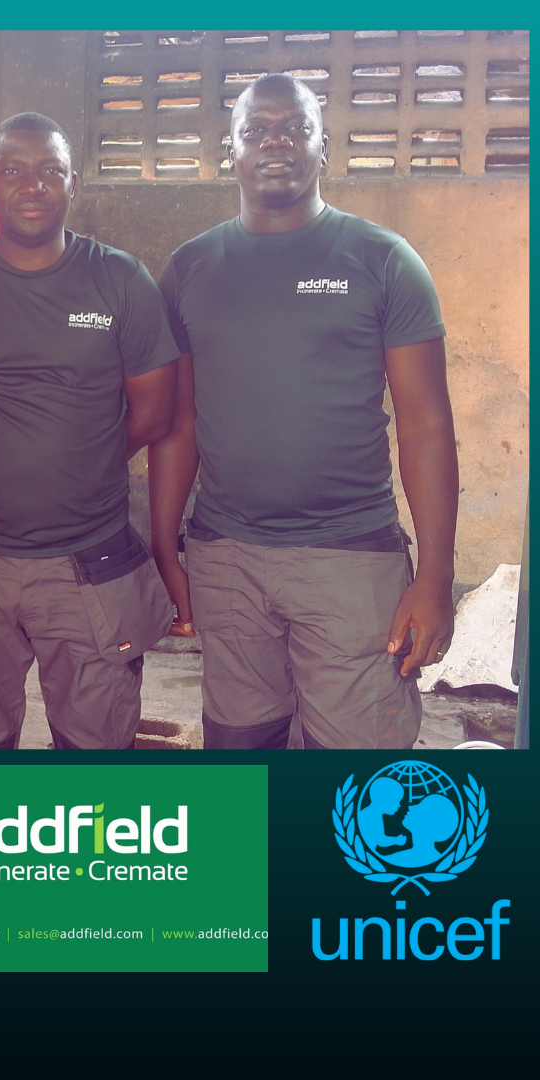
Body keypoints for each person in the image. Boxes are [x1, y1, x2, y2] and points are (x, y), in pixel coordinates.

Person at [151, 74, 458, 750]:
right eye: (256, 130)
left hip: (350, 557)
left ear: (325, 147)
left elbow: (426, 425)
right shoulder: (190, 268)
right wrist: (165, 545)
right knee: (240, 744)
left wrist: (436, 575)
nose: (275, 142)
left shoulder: (382, 260)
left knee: (354, 769)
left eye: (295, 128)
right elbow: (179, 424)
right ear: (230, 150)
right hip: (227, 555)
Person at [0, 112, 178, 750]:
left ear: (73, 183)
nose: (32, 186)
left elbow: (155, 413)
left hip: (89, 564)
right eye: (12, 170)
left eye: (50, 171)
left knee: (96, 761)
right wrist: (6, 465)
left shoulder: (120, 281)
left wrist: (79, 463)